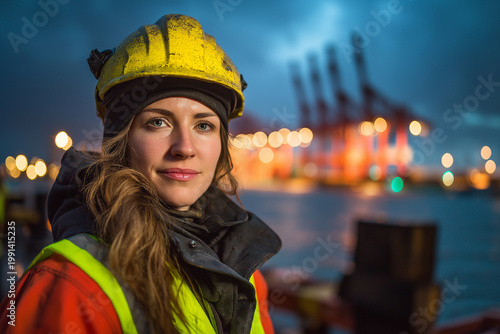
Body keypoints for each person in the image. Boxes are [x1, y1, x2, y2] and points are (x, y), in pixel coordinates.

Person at [0, 14, 281, 334]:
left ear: (221, 146)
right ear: (119, 142)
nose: (184, 147)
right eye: (158, 122)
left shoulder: (244, 272)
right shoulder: (70, 284)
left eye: (204, 125)